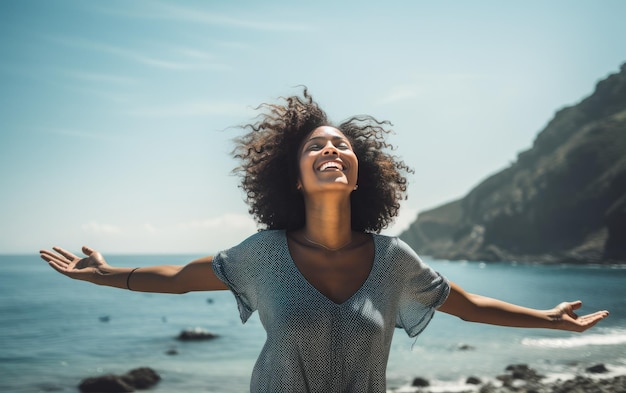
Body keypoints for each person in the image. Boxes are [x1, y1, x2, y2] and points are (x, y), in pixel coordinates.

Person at [40, 89, 609, 393]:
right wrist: (105, 273)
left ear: (359, 174)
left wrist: (549, 319)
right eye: (315, 147)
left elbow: (471, 306)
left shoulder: (392, 261)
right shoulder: (262, 254)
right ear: (294, 175)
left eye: (341, 146)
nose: (330, 151)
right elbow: (179, 279)